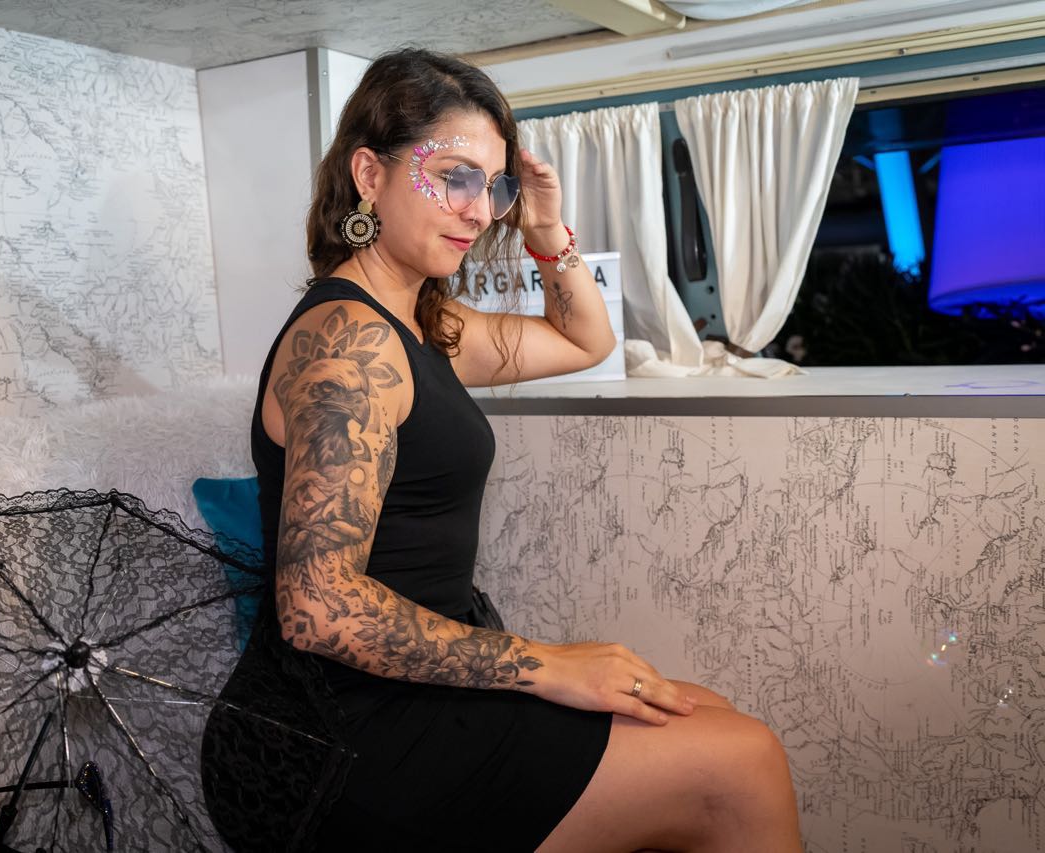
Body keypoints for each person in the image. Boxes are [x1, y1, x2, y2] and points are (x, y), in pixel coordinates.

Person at [202, 48, 801, 852]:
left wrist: (546, 231)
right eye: (454, 177)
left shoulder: (420, 322)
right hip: (343, 730)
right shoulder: (349, 343)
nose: (480, 211)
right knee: (744, 761)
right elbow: (319, 608)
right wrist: (550, 664)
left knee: (706, 713)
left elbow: (584, 340)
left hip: (420, 684)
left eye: (494, 187)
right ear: (370, 174)